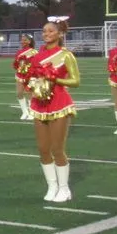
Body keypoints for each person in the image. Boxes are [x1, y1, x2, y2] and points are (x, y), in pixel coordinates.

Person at [28, 20, 80, 202]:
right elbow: (32, 78)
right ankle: (52, 185)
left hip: (59, 103)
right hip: (39, 104)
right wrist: (33, 85)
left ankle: (64, 189)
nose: (46, 33)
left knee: (57, 149)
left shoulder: (66, 55)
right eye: (44, 31)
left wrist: (55, 79)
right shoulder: (36, 56)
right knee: (43, 149)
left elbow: (75, 81)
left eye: (50, 31)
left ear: (59, 34)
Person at [13, 34, 36, 120]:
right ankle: (25, 112)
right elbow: (16, 64)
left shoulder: (33, 52)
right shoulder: (19, 52)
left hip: (30, 75)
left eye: (25, 40)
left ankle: (31, 112)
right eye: (22, 40)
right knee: (19, 93)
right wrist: (17, 65)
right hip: (20, 75)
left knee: (30, 94)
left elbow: (35, 64)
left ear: (30, 41)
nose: (23, 41)